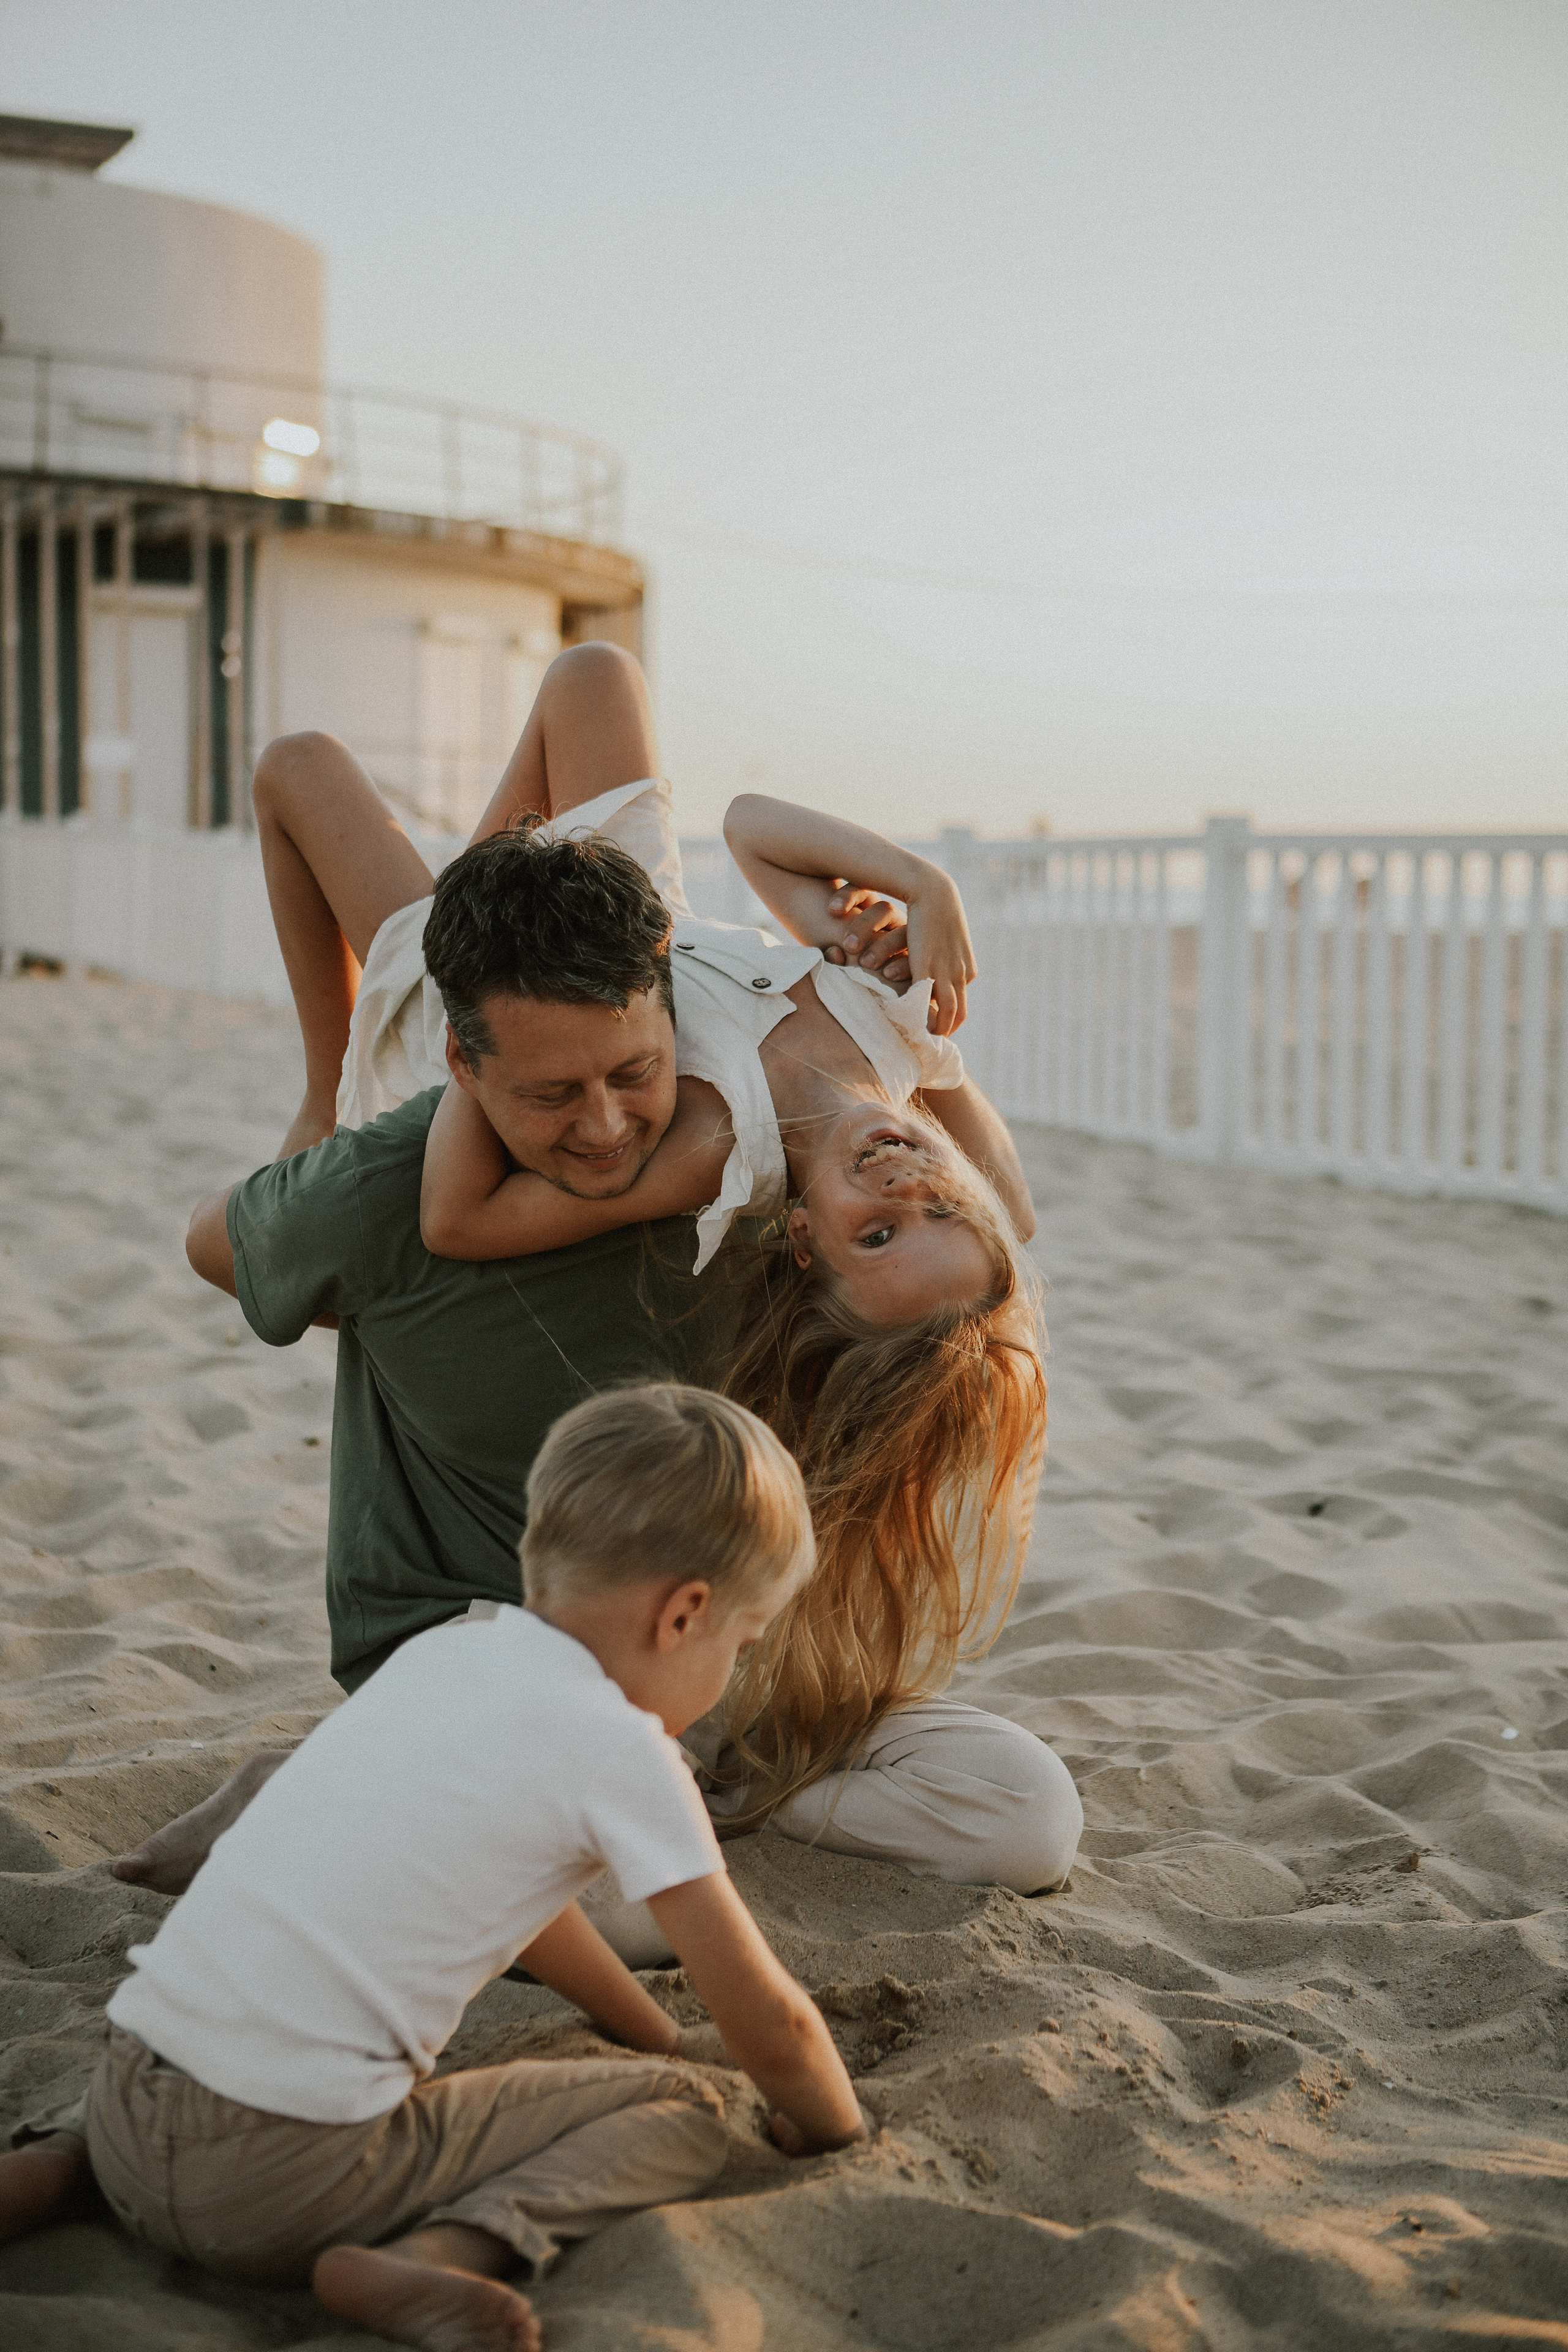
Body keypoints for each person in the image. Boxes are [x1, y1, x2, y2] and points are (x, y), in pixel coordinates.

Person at [115, 642, 1081, 1918]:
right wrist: (324, 1096)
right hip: (506, 1652)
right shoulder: (552, 1119)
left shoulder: (718, 1155)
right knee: (543, 704)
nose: (605, 1130)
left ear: (800, 1244)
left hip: (687, 1672)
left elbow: (970, 1230)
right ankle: (513, 1810)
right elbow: (415, 1223)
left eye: (879, 1234)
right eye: (555, 1095)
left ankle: (692, 1797)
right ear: (472, 1069)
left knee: (1028, 1816)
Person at [4, 1389, 864, 2352]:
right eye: (742, 1647)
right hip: (276, 2194)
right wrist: (841, 2136)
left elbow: (528, 1912)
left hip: (123, 2106)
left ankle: (48, 2171)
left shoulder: (439, 1656)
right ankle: (444, 2254)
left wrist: (652, 2028)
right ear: (686, 1614)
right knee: (690, 2110)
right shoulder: (622, 1749)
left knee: (209, 2026)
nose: (731, 1673)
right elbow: (775, 2023)